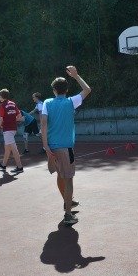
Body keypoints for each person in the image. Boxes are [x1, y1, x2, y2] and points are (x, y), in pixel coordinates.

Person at [41, 66, 91, 225]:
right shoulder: (71, 101)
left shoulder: (47, 103)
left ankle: (66, 201)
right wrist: (76, 75)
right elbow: (87, 89)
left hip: (52, 146)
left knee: (59, 175)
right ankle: (68, 215)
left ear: (54, 90)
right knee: (68, 180)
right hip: (66, 147)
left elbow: (43, 123)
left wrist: (45, 146)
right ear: (66, 89)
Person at [0, 89, 24, 173]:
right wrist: (12, 120)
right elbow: (19, 116)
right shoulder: (13, 103)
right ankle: (4, 165)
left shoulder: (2, 105)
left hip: (7, 130)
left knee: (14, 148)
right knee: (7, 148)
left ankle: (20, 167)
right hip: (13, 128)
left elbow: (0, 119)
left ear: (2, 96)